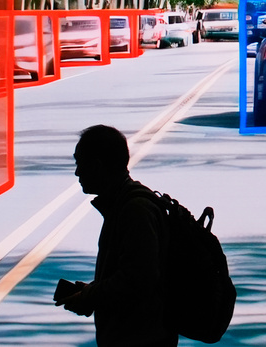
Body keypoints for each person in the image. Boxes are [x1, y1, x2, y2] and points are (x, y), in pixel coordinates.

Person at [57, 124, 177, 347]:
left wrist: (89, 297)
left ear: (97, 166)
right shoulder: (124, 204)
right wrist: (92, 290)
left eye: (79, 164)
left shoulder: (134, 211)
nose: (77, 172)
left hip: (140, 338)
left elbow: (138, 280)